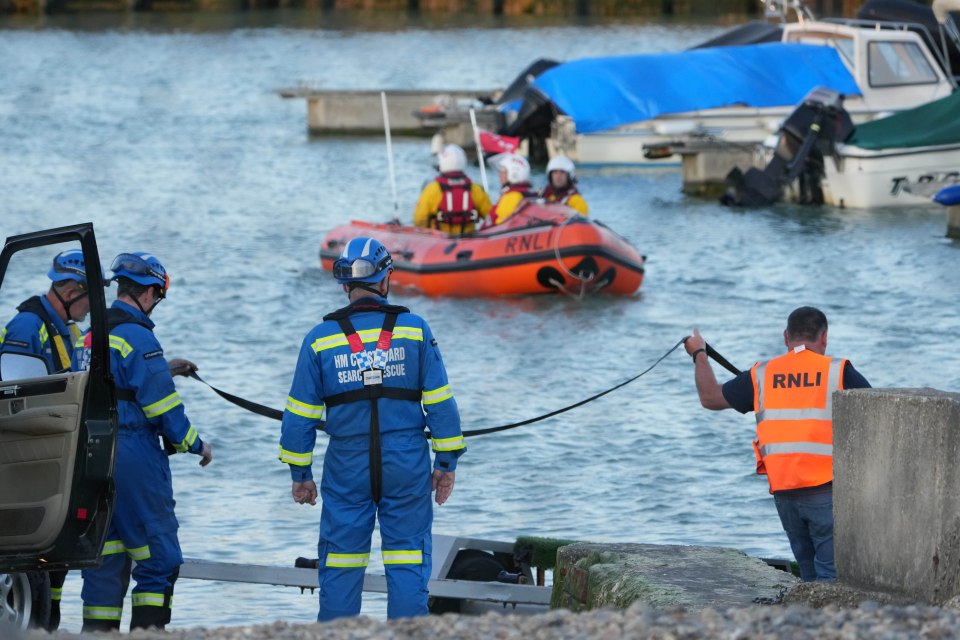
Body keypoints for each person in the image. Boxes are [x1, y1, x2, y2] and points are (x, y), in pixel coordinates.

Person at [279, 236, 464, 621]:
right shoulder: (415, 330)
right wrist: (445, 463)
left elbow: (299, 416)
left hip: (347, 466)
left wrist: (301, 474)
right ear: (385, 280)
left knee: (342, 565)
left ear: (345, 285)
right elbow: (441, 404)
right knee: (408, 560)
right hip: (407, 463)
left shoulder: (319, 340)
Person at [75, 252, 213, 632]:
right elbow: (163, 408)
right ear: (150, 292)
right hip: (133, 456)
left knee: (106, 556)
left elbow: (110, 383)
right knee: (159, 559)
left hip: (91, 455)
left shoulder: (89, 336)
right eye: (158, 296)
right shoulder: (139, 336)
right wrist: (196, 445)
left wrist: (166, 368)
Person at [684, 306, 870, 582]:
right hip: (824, 489)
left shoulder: (762, 374)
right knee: (832, 576)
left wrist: (699, 353)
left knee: (808, 572)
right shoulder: (838, 372)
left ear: (786, 337)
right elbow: (876, 413)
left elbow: (710, 397)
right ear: (824, 338)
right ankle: (830, 621)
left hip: (784, 493)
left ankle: (809, 620)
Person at [0, 248, 90, 375]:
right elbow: (15, 390)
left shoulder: (70, 330)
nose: (91, 308)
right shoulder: (26, 327)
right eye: (90, 299)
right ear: (71, 294)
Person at [413, 143, 492, 235]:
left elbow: (419, 219)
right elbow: (489, 216)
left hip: (440, 242)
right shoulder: (475, 189)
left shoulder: (432, 189)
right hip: (469, 240)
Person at [488, 153, 535, 226]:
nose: (500, 175)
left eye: (503, 172)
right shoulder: (521, 194)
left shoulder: (512, 196)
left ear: (514, 174)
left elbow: (499, 224)